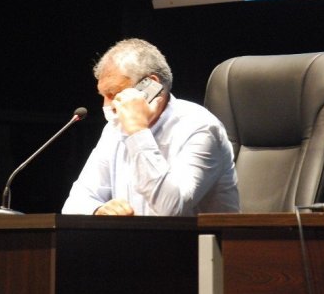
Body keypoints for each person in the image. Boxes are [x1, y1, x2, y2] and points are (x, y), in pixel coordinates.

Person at [62, 38, 240, 216]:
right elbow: (74, 204)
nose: (109, 105)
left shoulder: (200, 127)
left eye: (113, 93)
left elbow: (171, 210)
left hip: (193, 235)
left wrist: (137, 131)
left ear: (151, 86)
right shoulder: (114, 129)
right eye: (103, 96)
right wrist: (98, 210)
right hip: (134, 234)